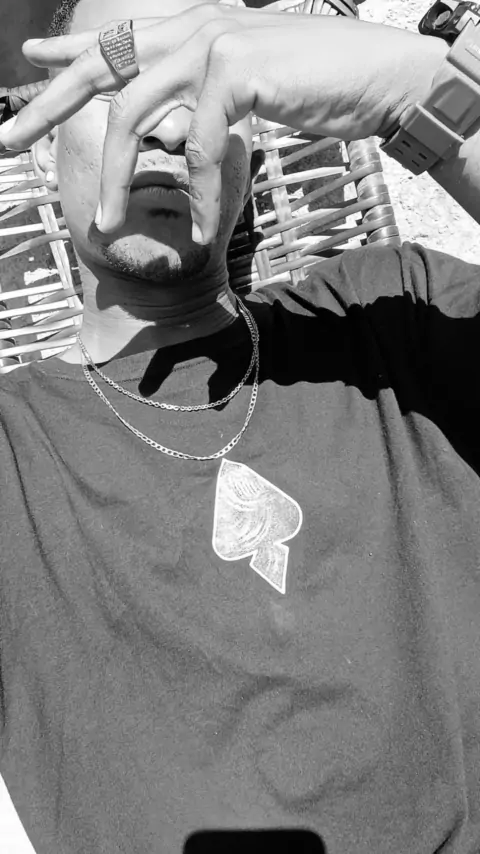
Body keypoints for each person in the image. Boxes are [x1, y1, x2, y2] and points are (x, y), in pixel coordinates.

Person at [0, 0, 480, 853]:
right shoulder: (13, 453)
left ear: (250, 155)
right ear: (46, 144)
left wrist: (416, 88)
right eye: (120, 84)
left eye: (201, 84)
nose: (163, 123)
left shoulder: (396, 313)